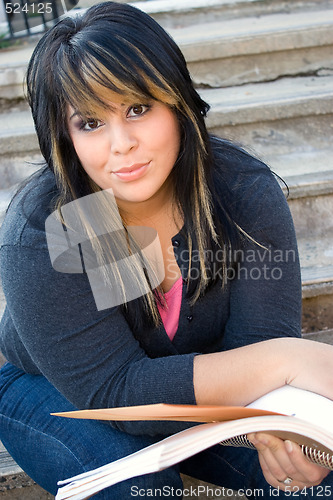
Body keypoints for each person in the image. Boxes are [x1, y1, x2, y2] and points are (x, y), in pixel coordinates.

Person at [0, 2, 332, 498]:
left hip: (202, 397)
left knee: (314, 479)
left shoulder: (242, 193)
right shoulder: (47, 227)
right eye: (90, 122)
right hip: (55, 391)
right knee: (141, 485)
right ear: (65, 136)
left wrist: (281, 432)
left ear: (176, 102)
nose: (122, 144)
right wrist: (285, 360)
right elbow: (114, 393)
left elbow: (257, 344)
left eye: (138, 108)